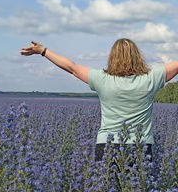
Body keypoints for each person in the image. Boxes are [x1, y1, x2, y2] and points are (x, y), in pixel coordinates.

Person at [20, 38, 178, 161]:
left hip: (107, 146)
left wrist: (43, 51)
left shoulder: (102, 79)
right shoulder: (151, 78)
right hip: (141, 146)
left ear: (112, 57)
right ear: (138, 56)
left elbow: (72, 67)